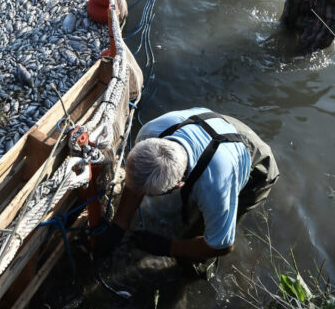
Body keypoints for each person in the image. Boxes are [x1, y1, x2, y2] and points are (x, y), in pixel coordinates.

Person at [94, 108, 279, 276]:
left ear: (178, 186)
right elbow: (137, 181)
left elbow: (222, 245)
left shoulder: (216, 187)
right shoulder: (150, 134)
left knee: (202, 243)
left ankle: (192, 269)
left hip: (255, 164)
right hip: (218, 125)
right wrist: (119, 225)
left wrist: (170, 247)